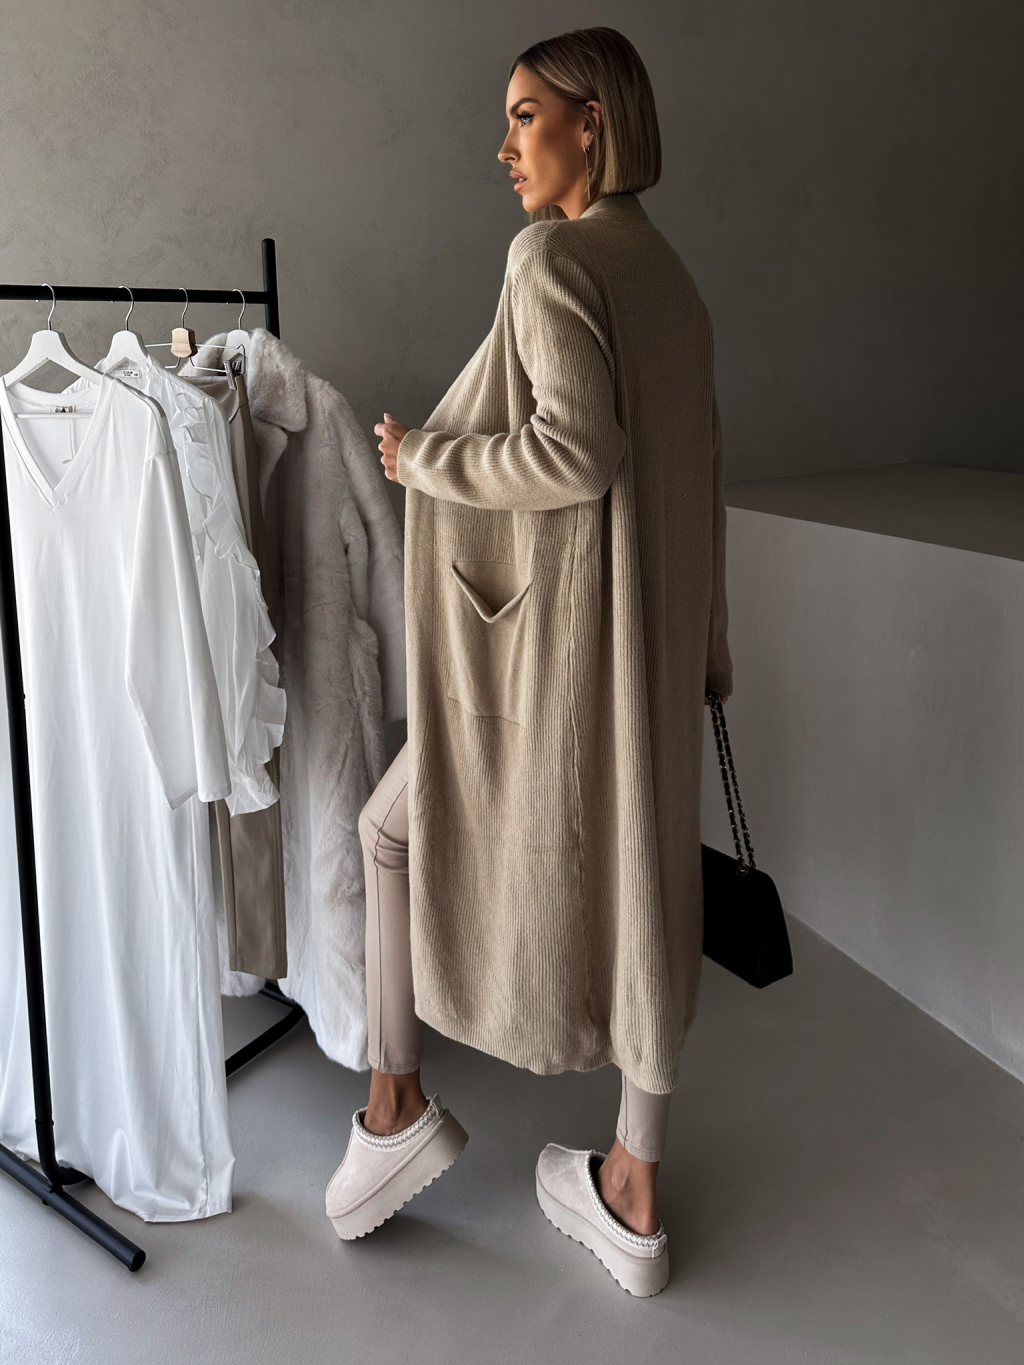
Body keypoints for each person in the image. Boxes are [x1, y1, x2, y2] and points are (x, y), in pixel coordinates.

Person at [326, 26, 732, 1299]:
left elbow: (573, 452)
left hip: (573, 653)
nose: (503, 147)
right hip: (652, 646)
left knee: (388, 831)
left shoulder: (551, 256)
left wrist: (422, 461)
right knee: (647, 891)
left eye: (522, 116)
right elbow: (696, 472)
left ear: (589, 121)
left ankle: (395, 1109)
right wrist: (710, 647)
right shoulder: (669, 276)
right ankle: (631, 1190)